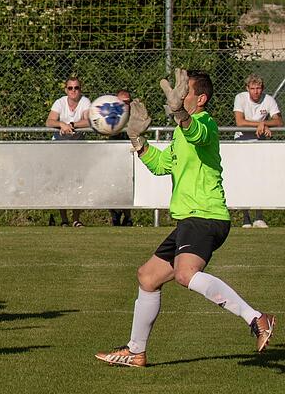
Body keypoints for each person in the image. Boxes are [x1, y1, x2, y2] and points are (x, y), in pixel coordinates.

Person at [95, 69, 276, 368]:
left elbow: (196, 131)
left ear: (200, 98)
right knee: (148, 277)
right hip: (190, 220)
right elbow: (162, 164)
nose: (177, 96)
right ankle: (135, 351)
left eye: (184, 91)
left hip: (205, 217)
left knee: (185, 274)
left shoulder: (205, 123)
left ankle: (256, 318)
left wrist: (180, 113)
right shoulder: (181, 132)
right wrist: (137, 139)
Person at [232, 73, 282, 229]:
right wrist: (260, 125)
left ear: (263, 89)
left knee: (260, 178)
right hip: (242, 143)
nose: (255, 92)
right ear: (247, 88)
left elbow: (279, 121)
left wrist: (264, 124)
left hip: (260, 144)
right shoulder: (240, 98)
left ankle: (259, 217)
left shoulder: (268, 100)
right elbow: (240, 122)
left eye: (258, 88)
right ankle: (246, 218)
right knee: (244, 179)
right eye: (252, 88)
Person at [45, 77, 91, 227]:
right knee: (61, 183)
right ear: (66, 90)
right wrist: (61, 125)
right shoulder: (60, 102)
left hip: (78, 149)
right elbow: (49, 121)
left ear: (80, 89)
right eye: (70, 88)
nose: (73, 91)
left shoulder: (85, 102)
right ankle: (64, 219)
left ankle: (76, 219)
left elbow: (88, 120)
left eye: (76, 88)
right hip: (59, 148)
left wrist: (72, 125)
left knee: (78, 183)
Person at [109, 89, 134, 227]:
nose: (124, 105)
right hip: (113, 157)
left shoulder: (134, 116)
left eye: (127, 102)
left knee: (127, 186)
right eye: (121, 102)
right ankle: (114, 215)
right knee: (112, 185)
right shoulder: (110, 116)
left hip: (129, 157)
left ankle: (128, 216)